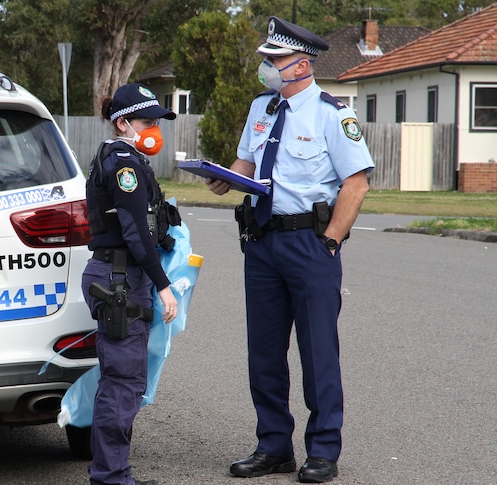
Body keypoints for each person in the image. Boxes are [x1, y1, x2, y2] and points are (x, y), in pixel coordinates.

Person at [205, 17, 374, 483]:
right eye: (267, 60)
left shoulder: (331, 113)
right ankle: (273, 445)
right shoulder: (261, 107)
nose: (267, 67)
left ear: (302, 64)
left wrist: (330, 243)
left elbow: (356, 185)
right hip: (262, 241)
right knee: (263, 352)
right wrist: (224, 177)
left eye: (274, 60)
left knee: (318, 351)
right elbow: (246, 161)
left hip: (308, 243)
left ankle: (322, 450)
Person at [82, 83, 180, 485]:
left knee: (126, 379)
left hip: (122, 276)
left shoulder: (128, 158)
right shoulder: (124, 163)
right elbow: (136, 233)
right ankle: (110, 476)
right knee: (122, 382)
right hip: (120, 279)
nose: (154, 129)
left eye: (157, 122)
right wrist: (163, 284)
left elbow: (150, 223)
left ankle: (114, 472)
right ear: (123, 123)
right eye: (147, 121)